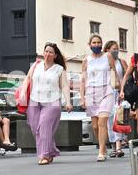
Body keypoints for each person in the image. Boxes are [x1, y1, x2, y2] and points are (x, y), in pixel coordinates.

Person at [25, 42, 72, 165]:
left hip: (52, 101)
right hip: (35, 100)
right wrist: (24, 93)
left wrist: (68, 102)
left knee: (44, 127)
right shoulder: (36, 65)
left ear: (55, 55)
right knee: (35, 128)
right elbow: (28, 78)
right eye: (46, 51)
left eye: (51, 52)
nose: (48, 54)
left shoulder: (59, 69)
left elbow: (65, 86)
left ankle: (44, 155)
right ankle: (51, 150)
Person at [80, 34, 120, 162]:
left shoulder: (107, 56)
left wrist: (118, 86)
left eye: (98, 42)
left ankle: (102, 150)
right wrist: (82, 97)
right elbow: (82, 80)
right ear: (90, 45)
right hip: (91, 92)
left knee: (102, 122)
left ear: (102, 44)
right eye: (94, 43)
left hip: (106, 91)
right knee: (96, 126)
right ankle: (102, 145)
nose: (96, 45)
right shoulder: (86, 60)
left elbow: (114, 71)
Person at [103, 40, 128, 158]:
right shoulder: (103, 62)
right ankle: (113, 146)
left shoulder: (121, 62)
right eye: (113, 48)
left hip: (119, 93)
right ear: (107, 49)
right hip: (106, 93)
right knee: (109, 120)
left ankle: (118, 146)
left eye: (117, 48)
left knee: (118, 118)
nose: (116, 50)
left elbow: (127, 77)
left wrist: (123, 89)